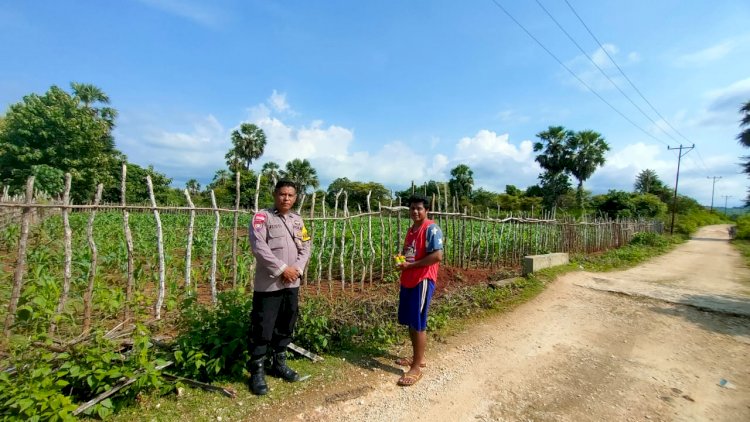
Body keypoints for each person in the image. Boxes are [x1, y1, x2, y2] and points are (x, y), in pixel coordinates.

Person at [247, 180, 312, 395]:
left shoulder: (297, 220)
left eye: (290, 195)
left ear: (295, 198)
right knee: (263, 326)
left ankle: (279, 364)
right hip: (269, 283)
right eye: (282, 194)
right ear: (275, 194)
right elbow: (259, 247)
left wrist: (297, 269)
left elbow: (306, 246)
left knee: (286, 322)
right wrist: (283, 268)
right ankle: (256, 371)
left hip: (292, 282)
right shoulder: (262, 217)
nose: (286, 198)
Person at [394, 194, 443, 387]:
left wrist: (411, 266)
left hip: (422, 279)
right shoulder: (412, 230)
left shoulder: (431, 228)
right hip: (409, 278)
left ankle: (416, 368)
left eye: (419, 208)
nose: (415, 211)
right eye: (412, 208)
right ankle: (417, 358)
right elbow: (411, 253)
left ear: (426, 210)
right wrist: (402, 260)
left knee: (419, 322)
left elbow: (437, 256)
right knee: (411, 321)